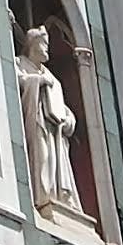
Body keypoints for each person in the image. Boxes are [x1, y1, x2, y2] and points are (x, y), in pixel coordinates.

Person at [19, 21, 89, 220]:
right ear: (33, 45)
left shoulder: (53, 78)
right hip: (37, 124)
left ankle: (61, 198)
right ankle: (43, 197)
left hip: (56, 133)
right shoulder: (20, 63)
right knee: (42, 157)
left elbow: (63, 108)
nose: (47, 48)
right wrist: (37, 81)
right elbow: (19, 80)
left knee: (58, 162)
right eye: (43, 44)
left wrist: (69, 119)